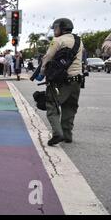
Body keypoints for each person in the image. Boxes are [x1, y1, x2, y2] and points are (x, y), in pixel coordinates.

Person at [36, 18, 84, 146]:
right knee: (70, 107)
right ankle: (68, 135)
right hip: (77, 81)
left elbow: (47, 58)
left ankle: (57, 133)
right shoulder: (79, 41)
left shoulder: (57, 40)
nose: (55, 30)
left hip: (61, 81)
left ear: (61, 28)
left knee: (52, 104)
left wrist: (41, 73)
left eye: (56, 28)